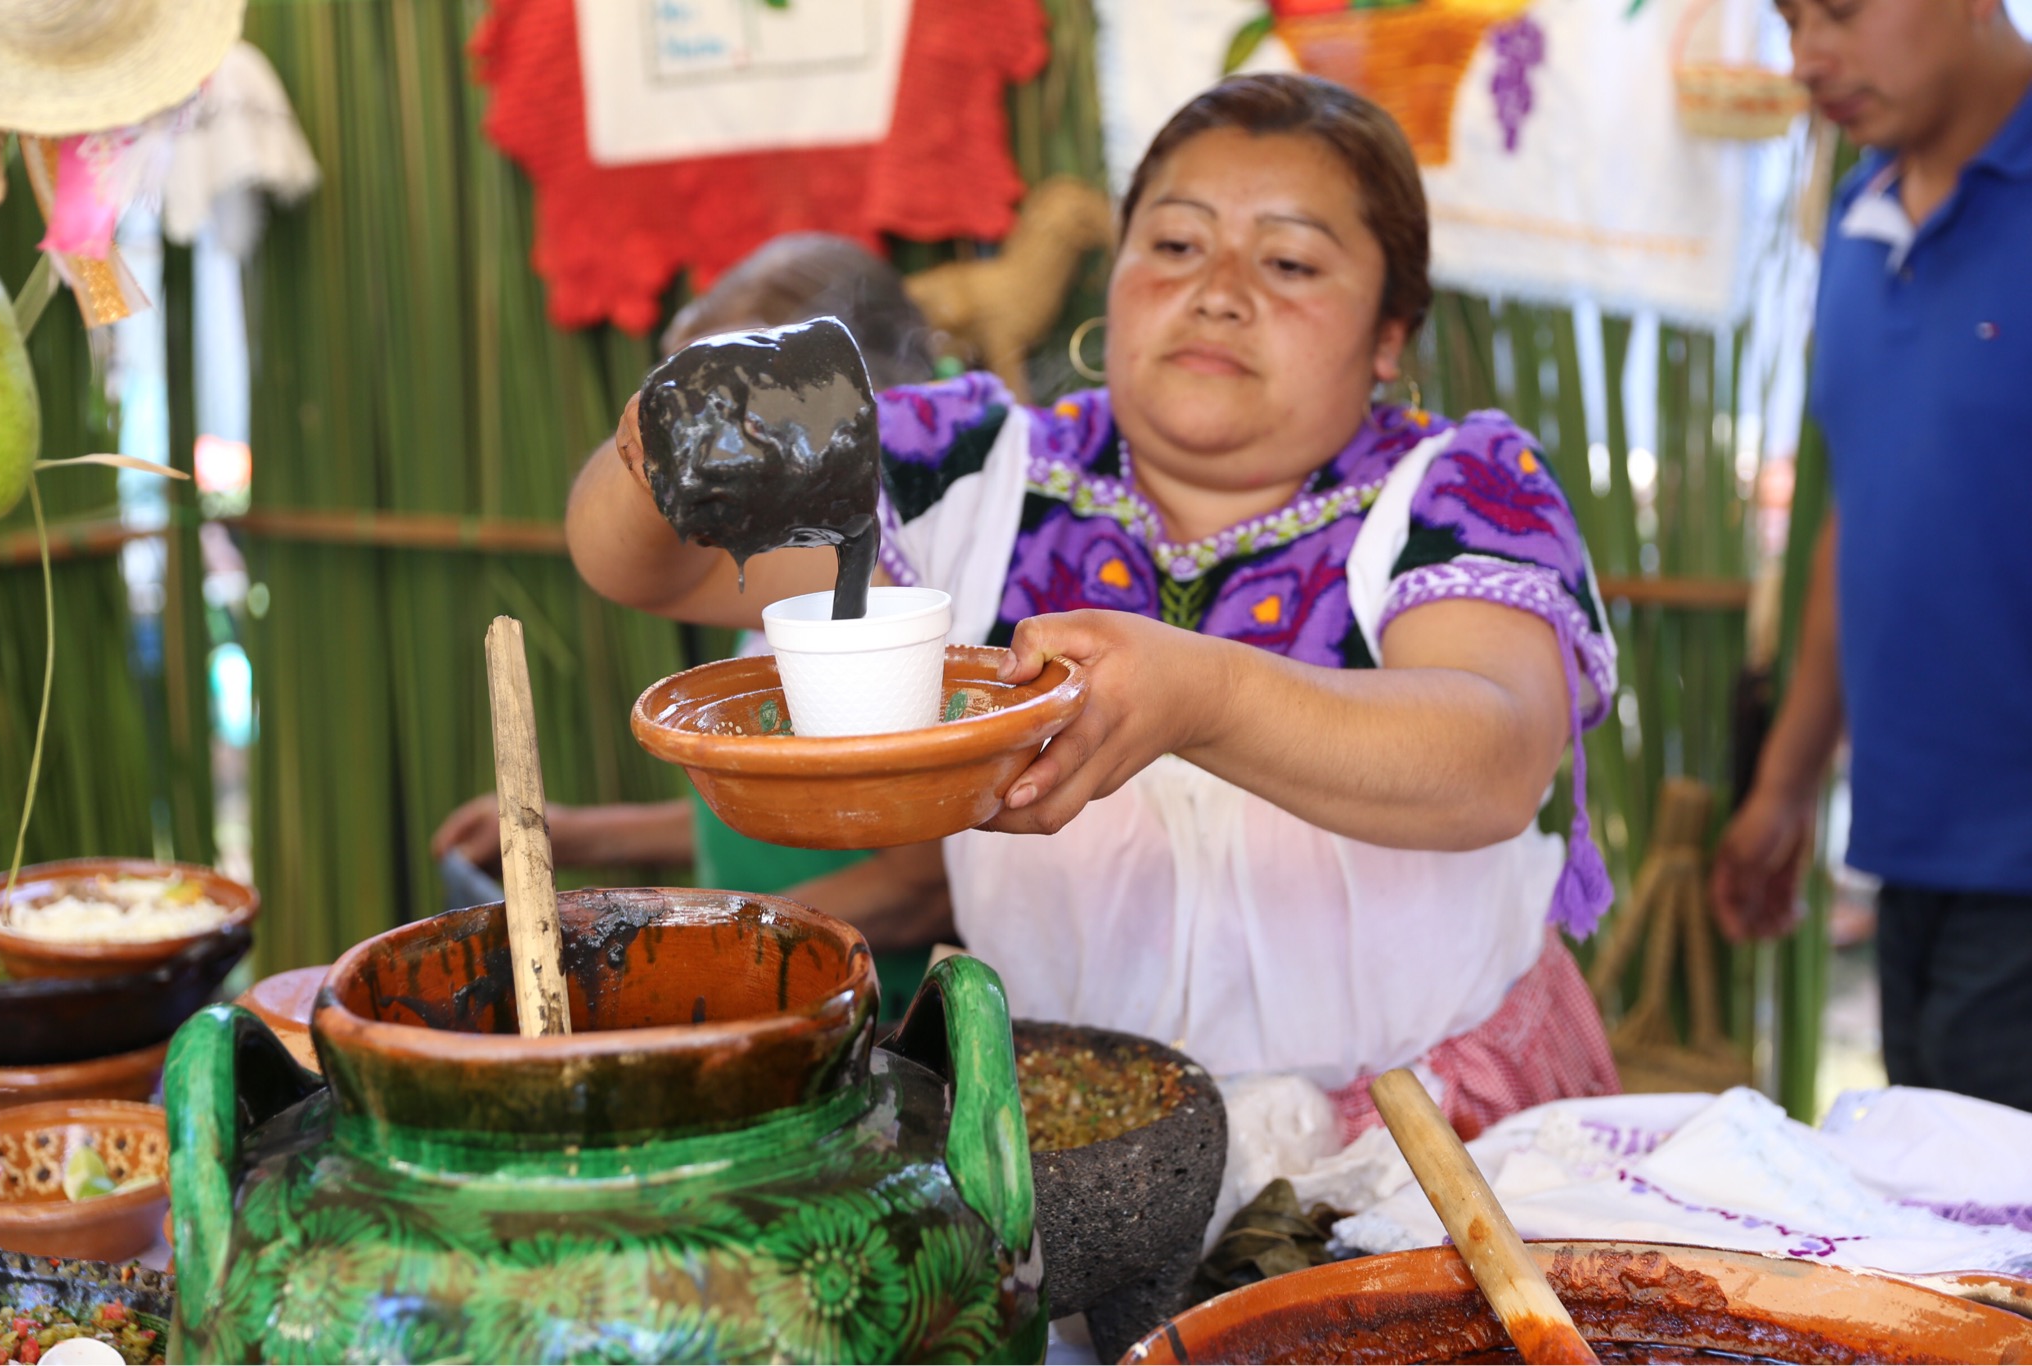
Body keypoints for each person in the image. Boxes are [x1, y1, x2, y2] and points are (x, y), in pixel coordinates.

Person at [569, 74, 1622, 1140]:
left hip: (1425, 1139)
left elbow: (1492, 761)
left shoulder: (1459, 486)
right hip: (1081, 1144)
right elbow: (650, 568)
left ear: (1389, 331)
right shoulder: (971, 469)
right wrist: (671, 426)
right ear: (1111, 277)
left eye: (1290, 262)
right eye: (1172, 244)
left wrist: (1204, 696)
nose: (1217, 291)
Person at [432, 233, 955, 1015]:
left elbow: (919, 887)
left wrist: (710, 945)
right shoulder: (780, 578)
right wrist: (579, 835)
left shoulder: (899, 596)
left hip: (862, 1011)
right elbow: (795, 809)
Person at [1713, 0, 2032, 1110]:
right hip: (1911, 844)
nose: (1807, 55)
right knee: (1947, 1247)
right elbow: (1870, 511)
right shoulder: (1859, 219)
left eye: (1839, 10)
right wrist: (1789, 780)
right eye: (1790, 19)